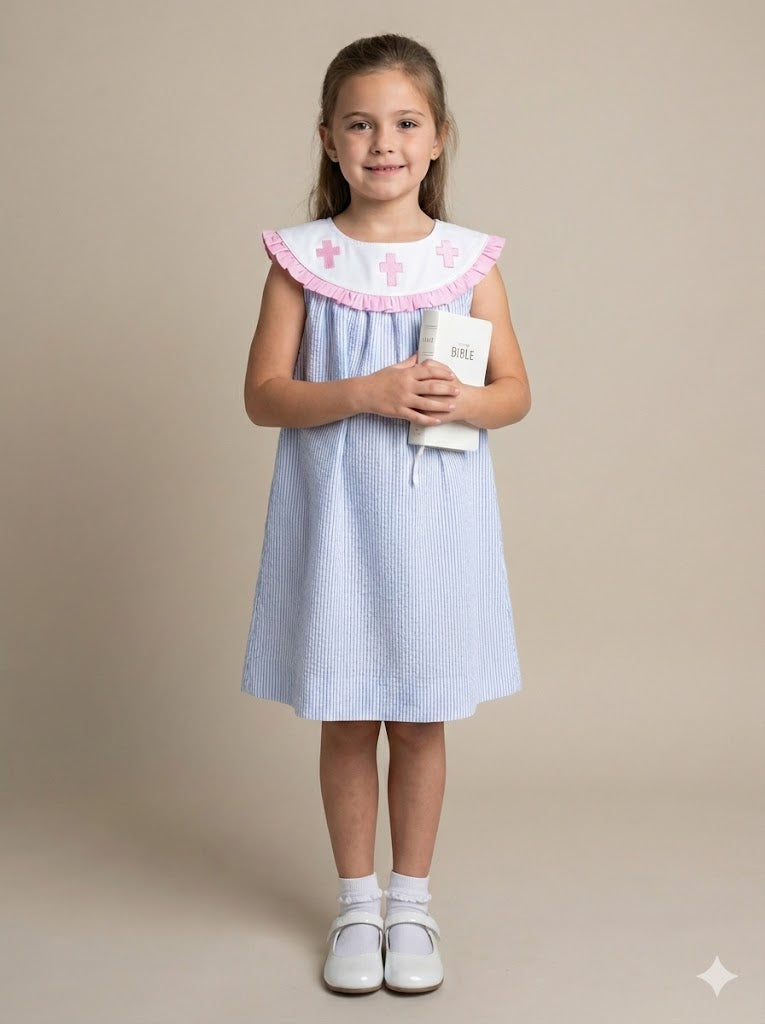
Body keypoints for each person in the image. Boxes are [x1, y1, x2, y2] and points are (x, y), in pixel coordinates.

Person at [241, 33, 531, 995]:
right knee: (346, 714)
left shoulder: (467, 259)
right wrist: (361, 390)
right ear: (327, 138)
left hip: (434, 526)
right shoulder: (303, 259)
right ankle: (355, 905)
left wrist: (467, 402)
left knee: (418, 718)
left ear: (440, 137)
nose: (383, 143)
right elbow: (264, 396)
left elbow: (515, 392)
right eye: (360, 124)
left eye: (405, 123)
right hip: (337, 527)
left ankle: (413, 905)